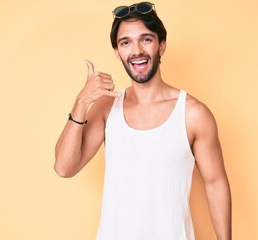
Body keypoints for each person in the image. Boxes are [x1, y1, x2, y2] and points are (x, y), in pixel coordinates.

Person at [54, 2, 231, 239]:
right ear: (118, 52)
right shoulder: (107, 107)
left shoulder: (192, 114)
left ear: (162, 45)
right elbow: (64, 168)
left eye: (146, 39)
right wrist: (82, 102)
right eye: (125, 42)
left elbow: (215, 184)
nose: (136, 50)